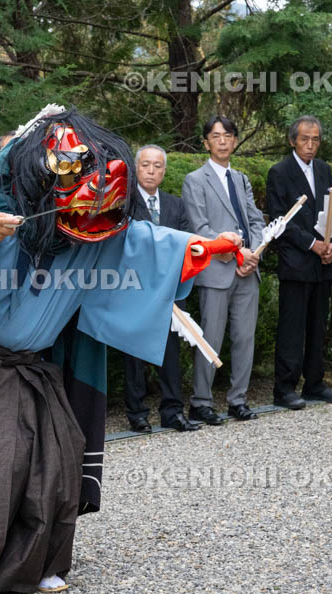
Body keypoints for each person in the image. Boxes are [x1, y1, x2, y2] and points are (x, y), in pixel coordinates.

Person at [0, 107, 242, 594]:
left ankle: (35, 565)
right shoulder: (0, 208)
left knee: (58, 460)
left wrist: (208, 245)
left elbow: (150, 244)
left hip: (35, 364)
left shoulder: (98, 231)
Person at [182, 115, 265, 424]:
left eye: (227, 135)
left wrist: (254, 253)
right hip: (217, 270)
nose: (222, 140)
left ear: (234, 140)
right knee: (211, 338)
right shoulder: (195, 180)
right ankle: (201, 402)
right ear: (206, 142)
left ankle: (238, 400)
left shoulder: (241, 179)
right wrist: (235, 253)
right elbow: (200, 227)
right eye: (215, 136)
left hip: (248, 270)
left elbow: (256, 220)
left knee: (245, 338)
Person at [266, 116, 332, 409]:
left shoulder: (324, 170)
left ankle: (315, 383)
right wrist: (312, 244)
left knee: (317, 326)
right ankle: (284, 388)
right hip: (296, 261)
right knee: (292, 328)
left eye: (315, 140)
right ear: (292, 141)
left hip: (323, 262)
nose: (310, 145)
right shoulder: (279, 172)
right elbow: (278, 220)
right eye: (304, 139)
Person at [120, 144, 199, 433]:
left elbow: (187, 243)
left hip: (169, 292)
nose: (151, 170)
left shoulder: (175, 204)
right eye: (145, 165)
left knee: (170, 353)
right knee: (135, 355)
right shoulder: (124, 204)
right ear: (136, 168)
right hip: (136, 291)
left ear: (164, 171)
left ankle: (172, 411)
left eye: (157, 166)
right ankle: (137, 413)